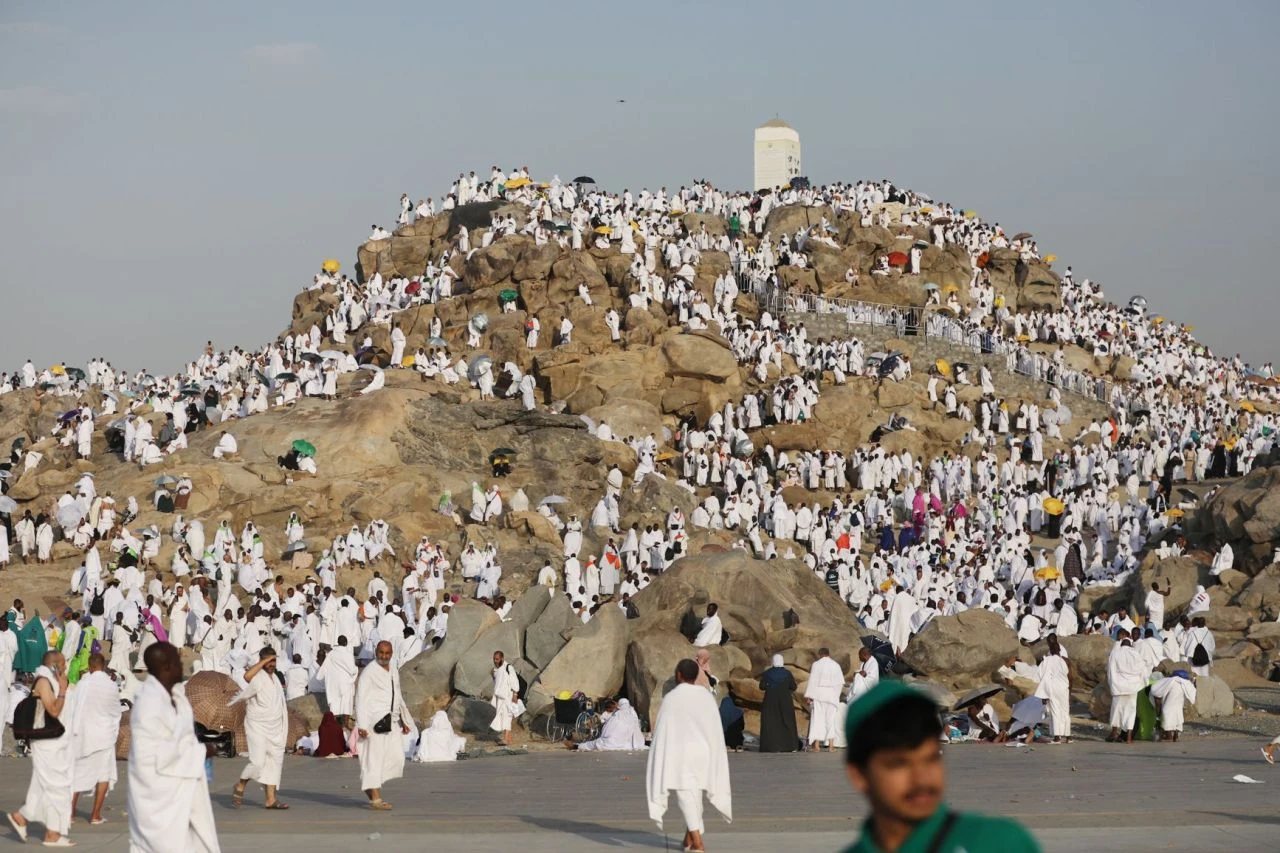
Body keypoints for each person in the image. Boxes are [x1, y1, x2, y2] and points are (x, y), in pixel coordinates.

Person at [841, 681, 1040, 852]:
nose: (922, 779)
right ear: (858, 775)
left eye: (931, 759)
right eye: (899, 764)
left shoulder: (1000, 844)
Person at [127, 642, 220, 853]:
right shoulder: (149, 704)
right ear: (167, 666)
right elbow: (153, 756)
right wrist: (202, 751)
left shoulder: (178, 697)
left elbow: (182, 738)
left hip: (184, 787)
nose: (182, 666)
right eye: (179, 662)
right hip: (158, 798)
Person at [645, 659, 732, 853]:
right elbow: (714, 728)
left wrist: (659, 755)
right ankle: (688, 840)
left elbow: (663, 730)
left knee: (686, 795)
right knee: (695, 795)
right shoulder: (706, 696)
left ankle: (698, 844)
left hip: (682, 753)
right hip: (704, 753)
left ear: (679, 675)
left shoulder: (672, 698)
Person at [6, 651, 74, 847]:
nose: (65, 666)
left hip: (54, 741)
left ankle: (22, 817)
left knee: (43, 784)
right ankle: (51, 834)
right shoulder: (44, 682)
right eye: (63, 663)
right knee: (55, 786)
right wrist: (62, 689)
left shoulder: (51, 679)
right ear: (55, 666)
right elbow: (53, 709)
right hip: (46, 742)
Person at [229, 648, 289, 810]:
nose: (271, 665)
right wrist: (263, 661)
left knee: (274, 763)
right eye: (268, 662)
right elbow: (246, 677)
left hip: (275, 727)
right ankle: (240, 784)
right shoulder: (258, 677)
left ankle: (271, 800)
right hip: (257, 727)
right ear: (261, 661)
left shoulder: (275, 678)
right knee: (257, 762)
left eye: (273, 661)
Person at [355, 640, 411, 810]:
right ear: (376, 652)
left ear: (392, 653)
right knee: (375, 759)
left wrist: (404, 718)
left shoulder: (393, 669)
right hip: (375, 721)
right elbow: (361, 699)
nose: (384, 656)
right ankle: (376, 799)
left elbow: (398, 694)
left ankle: (370, 787)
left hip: (391, 721)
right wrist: (362, 725)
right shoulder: (369, 672)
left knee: (396, 757)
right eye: (381, 653)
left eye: (387, 653)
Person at [69, 653, 121, 826]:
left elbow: (74, 708)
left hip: (82, 735)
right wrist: (113, 730)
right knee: (103, 775)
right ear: (103, 666)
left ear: (91, 667)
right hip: (104, 735)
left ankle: (70, 813)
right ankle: (95, 815)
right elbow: (115, 712)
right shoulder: (111, 686)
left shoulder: (83, 684)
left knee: (77, 774)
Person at [1106, 628, 1148, 743]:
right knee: (1130, 712)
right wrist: (1143, 685)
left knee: (1116, 711)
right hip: (1133, 688)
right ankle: (1129, 738)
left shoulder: (1115, 654)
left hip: (1118, 687)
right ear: (1130, 645)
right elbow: (1143, 671)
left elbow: (1110, 671)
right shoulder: (1136, 655)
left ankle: (1114, 733)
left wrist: (1111, 685)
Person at [805, 647, 844, 752]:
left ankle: (816, 746)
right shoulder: (835, 665)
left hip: (818, 695)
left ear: (820, 654)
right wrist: (836, 695)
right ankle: (831, 746)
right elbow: (840, 682)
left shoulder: (816, 665)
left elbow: (812, 681)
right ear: (828, 654)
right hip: (831, 696)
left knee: (817, 719)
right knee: (830, 720)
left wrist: (809, 696)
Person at [757, 654, 799, 753]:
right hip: (785, 701)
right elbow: (793, 687)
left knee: (771, 723)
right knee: (787, 721)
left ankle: (771, 747)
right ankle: (790, 746)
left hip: (770, 701)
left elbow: (761, 686)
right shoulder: (787, 673)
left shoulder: (767, 673)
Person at [570, 698, 646, 752]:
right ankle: (577, 746)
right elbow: (637, 730)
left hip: (611, 741)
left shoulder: (617, 714)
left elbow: (608, 729)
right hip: (633, 743)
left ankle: (577, 746)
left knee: (597, 743)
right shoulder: (632, 713)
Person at [1035, 635, 1071, 742]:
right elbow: (1066, 673)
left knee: (1055, 711)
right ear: (1059, 650)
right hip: (1064, 687)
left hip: (1053, 688)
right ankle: (1068, 737)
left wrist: (1043, 692)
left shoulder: (1047, 660)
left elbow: (1040, 674)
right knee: (1065, 711)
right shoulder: (1062, 661)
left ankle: (1057, 737)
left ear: (1050, 650)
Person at [489, 650, 522, 746]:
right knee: (503, 717)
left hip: (508, 696)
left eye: (497, 659)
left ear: (502, 658)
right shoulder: (496, 670)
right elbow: (498, 683)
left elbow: (514, 682)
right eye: (494, 659)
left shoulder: (509, 667)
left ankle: (506, 739)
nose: (495, 661)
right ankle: (509, 739)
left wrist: (515, 695)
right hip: (500, 698)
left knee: (507, 717)